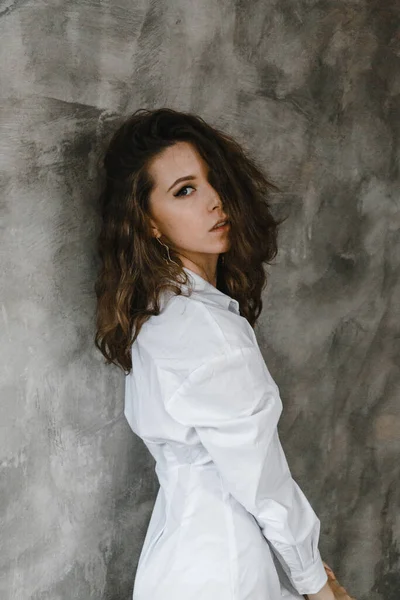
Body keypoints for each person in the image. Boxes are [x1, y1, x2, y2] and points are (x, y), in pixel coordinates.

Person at [94, 107, 336, 600]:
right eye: (184, 190)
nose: (214, 201)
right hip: (224, 568)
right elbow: (263, 481)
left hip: (176, 562)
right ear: (150, 224)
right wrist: (317, 584)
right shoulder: (205, 330)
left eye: (212, 181)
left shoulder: (160, 316)